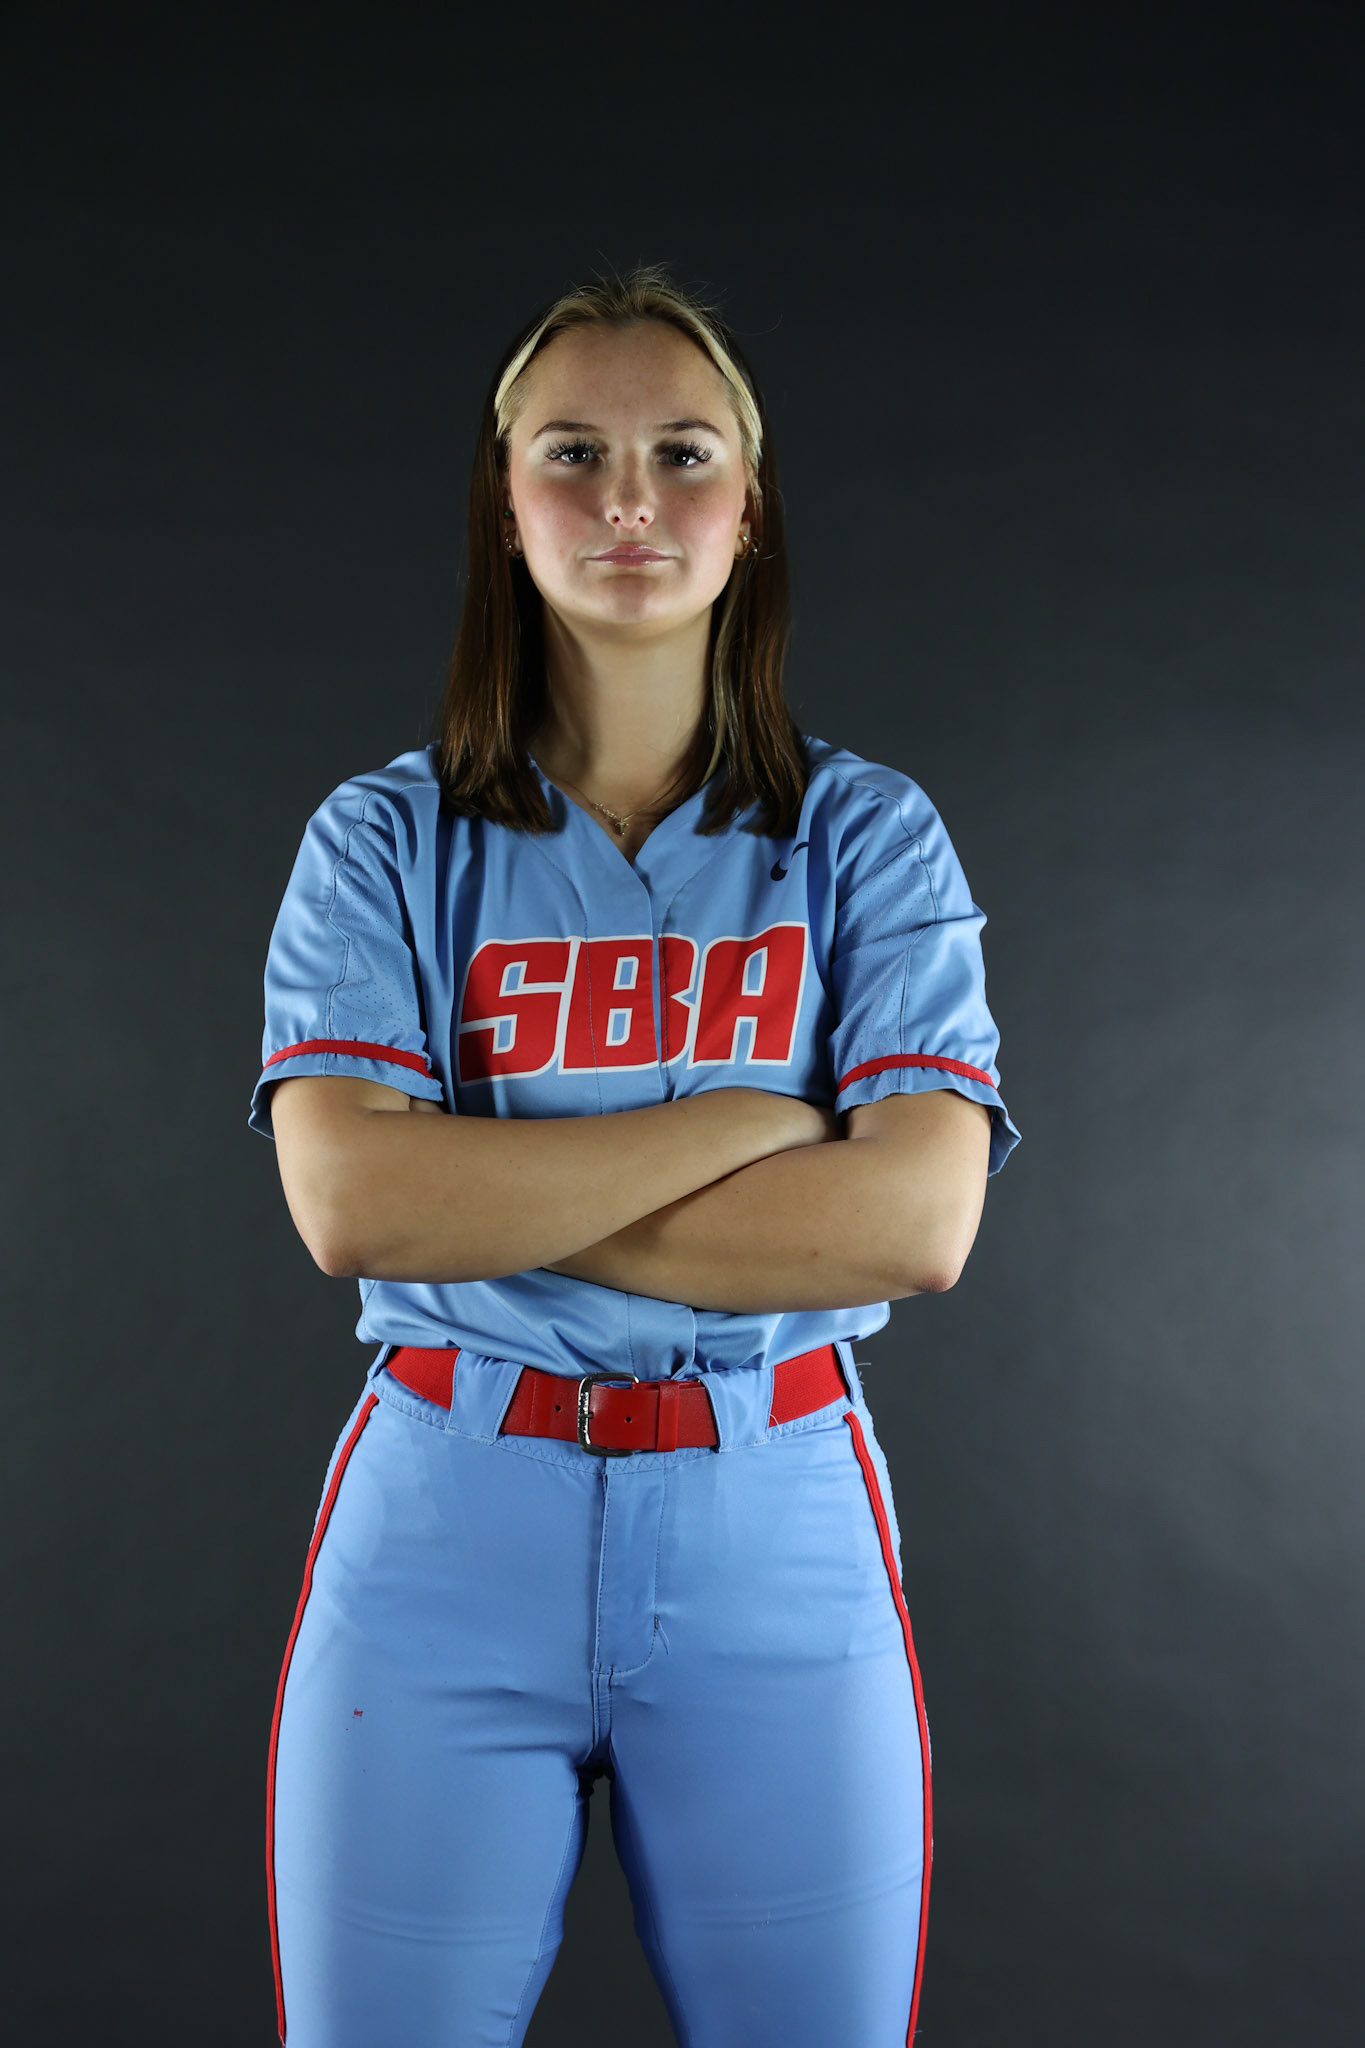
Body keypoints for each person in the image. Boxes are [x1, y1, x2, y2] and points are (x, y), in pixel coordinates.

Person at [249, 262, 1020, 2048]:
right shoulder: (382, 839)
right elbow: (352, 1206)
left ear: (749, 509)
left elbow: (916, 1222)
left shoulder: (865, 836)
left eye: (681, 453)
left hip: (776, 1514)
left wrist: (482, 1188)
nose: (626, 500)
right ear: (502, 502)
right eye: (570, 452)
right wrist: (749, 1129)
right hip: (447, 1517)